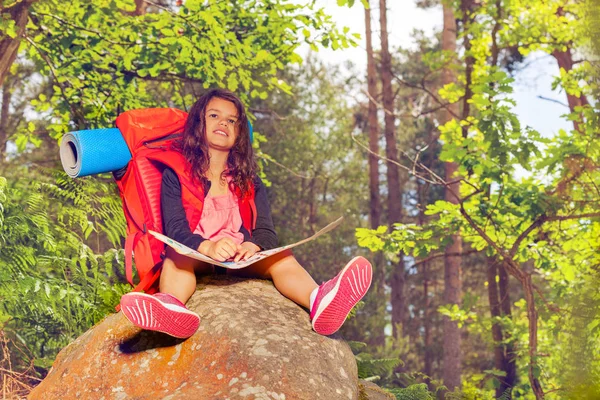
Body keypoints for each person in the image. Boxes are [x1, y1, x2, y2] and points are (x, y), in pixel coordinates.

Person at [119, 88, 372, 339]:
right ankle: (171, 307)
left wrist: (252, 246)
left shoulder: (248, 181)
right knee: (177, 257)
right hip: (196, 255)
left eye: (232, 121)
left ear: (239, 133)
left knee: (281, 257)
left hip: (239, 259)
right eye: (214, 116)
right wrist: (207, 247)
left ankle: (319, 299)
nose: (223, 124)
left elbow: (266, 232)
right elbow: (174, 230)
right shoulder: (175, 174)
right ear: (198, 123)